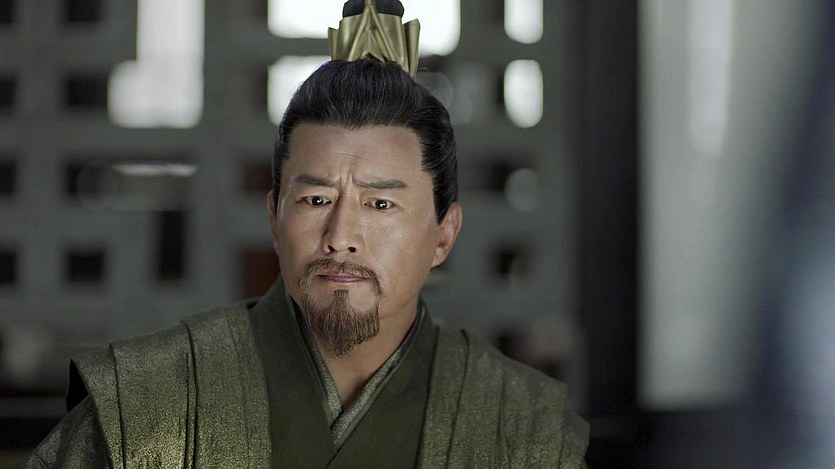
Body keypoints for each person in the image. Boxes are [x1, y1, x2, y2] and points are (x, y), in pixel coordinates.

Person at [25, 1, 588, 467]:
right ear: (275, 218)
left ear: (444, 234)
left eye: (380, 203)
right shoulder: (146, 405)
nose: (341, 235)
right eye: (316, 199)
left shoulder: (520, 429)